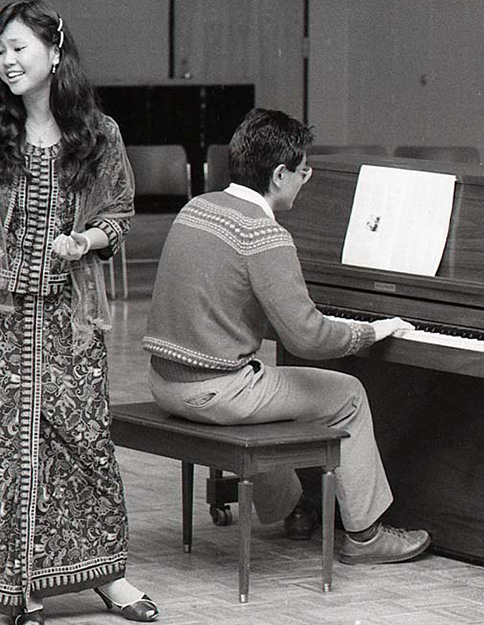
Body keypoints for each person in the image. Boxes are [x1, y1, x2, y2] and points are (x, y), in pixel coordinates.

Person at [0, 1, 157, 625]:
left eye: (18, 48)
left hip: (70, 313)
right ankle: (21, 588)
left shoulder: (100, 134)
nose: (6, 61)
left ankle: (109, 576)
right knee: (10, 448)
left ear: (55, 52)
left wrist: (84, 242)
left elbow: (118, 211)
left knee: (84, 441)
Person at [143, 107, 432, 566]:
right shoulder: (264, 233)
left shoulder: (197, 207)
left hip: (165, 384)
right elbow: (308, 338)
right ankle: (365, 536)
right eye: (303, 172)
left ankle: (295, 509)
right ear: (279, 174)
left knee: (271, 381)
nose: (306, 179)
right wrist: (371, 331)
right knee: (349, 394)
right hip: (215, 393)